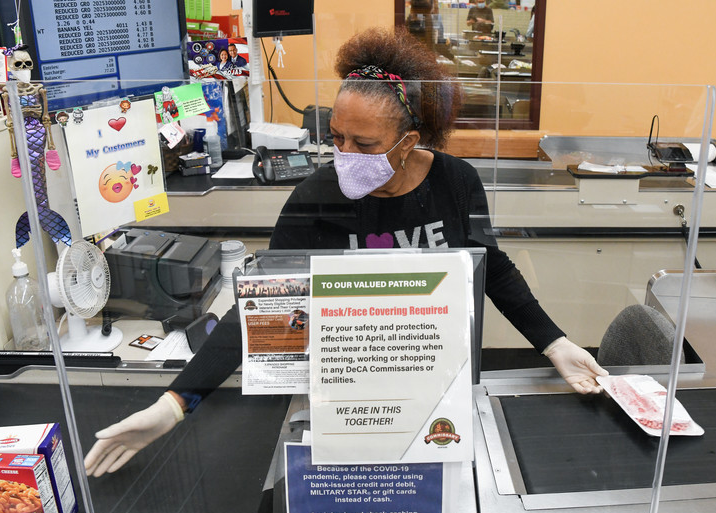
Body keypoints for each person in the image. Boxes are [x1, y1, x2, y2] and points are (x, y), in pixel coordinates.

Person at [83, 27, 608, 478]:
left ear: (409, 141)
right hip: (348, 384)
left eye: (365, 143)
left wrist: (554, 342)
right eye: (336, 137)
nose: (345, 156)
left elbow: (492, 268)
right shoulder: (315, 198)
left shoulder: (456, 181)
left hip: (439, 377)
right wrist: (174, 403)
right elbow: (262, 310)